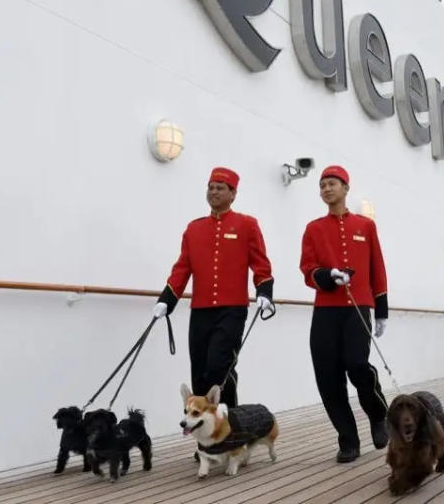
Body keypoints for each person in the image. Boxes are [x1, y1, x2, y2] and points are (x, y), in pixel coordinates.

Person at [153, 167, 273, 408]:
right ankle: (207, 438)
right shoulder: (194, 229)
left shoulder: (247, 225)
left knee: (219, 367)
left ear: (233, 194)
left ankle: (228, 426)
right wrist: (167, 299)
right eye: (211, 187)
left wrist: (264, 291)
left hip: (232, 310)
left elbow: (260, 263)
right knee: (199, 373)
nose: (214, 192)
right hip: (201, 310)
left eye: (220, 188)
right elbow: (182, 267)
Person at [299, 165, 389, 463]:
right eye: (322, 185)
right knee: (328, 376)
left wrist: (382, 310)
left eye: (332, 184)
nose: (326, 189)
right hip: (325, 310)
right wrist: (326, 275)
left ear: (346, 188)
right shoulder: (313, 228)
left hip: (358, 307)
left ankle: (378, 414)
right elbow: (307, 269)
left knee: (356, 364)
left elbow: (377, 267)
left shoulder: (366, 226)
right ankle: (348, 439)